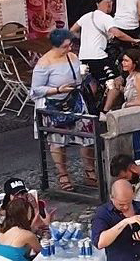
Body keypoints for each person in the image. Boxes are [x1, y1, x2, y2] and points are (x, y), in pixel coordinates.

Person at [31, 30, 93, 193]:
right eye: (66, 46)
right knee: (57, 141)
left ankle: (90, 171)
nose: (69, 49)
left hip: (74, 101)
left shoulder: (72, 57)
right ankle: (63, 175)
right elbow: (35, 91)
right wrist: (57, 90)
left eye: (70, 45)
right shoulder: (44, 63)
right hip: (53, 105)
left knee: (86, 136)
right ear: (56, 46)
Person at [73, 0, 126, 78]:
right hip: (98, 57)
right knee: (116, 81)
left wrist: (83, 38)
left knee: (92, 82)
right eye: (107, 2)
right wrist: (133, 40)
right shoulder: (106, 17)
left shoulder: (86, 16)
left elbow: (72, 31)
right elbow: (118, 34)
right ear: (97, 4)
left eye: (110, 2)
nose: (109, 5)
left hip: (83, 57)